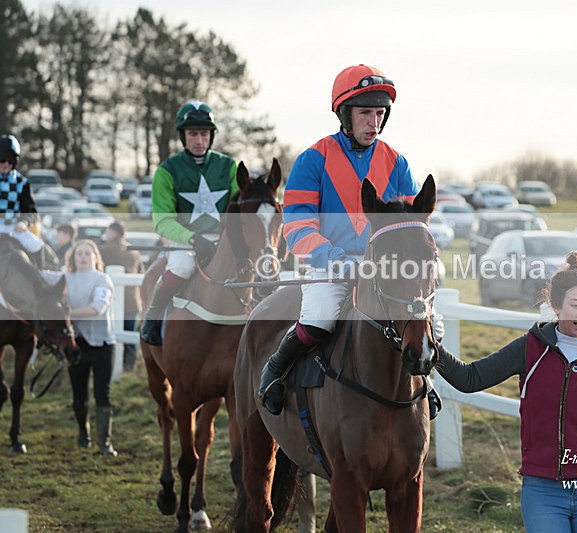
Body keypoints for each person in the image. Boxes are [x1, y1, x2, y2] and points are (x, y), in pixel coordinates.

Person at [257, 64, 442, 418]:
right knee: (320, 316)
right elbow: (296, 225)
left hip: (385, 271)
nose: (373, 122)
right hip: (330, 267)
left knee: (430, 321)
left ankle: (426, 385)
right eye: (365, 113)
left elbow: (411, 225)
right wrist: (335, 258)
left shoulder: (396, 162)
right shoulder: (313, 159)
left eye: (379, 114)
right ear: (345, 114)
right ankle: (274, 372)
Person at [433, 252, 577, 533]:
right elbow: (470, 378)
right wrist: (430, 347)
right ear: (556, 305)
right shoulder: (529, 349)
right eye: (575, 305)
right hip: (543, 491)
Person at [139, 100, 238, 345]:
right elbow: (162, 221)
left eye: (204, 134)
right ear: (183, 136)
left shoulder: (229, 166)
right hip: (185, 239)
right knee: (182, 266)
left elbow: (240, 210)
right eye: (193, 134)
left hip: (223, 238)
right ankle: (152, 318)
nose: (199, 140)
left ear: (211, 136)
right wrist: (192, 239)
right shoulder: (167, 170)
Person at [43, 240, 118, 456]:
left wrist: (66, 316)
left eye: (87, 253)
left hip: (103, 344)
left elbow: (98, 308)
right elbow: (42, 275)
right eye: (79, 254)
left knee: (103, 392)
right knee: (78, 393)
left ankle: (105, 442)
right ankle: (83, 433)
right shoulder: (66, 278)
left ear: (95, 257)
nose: (83, 257)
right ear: (73, 259)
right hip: (76, 345)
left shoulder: (103, 280)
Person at [99, 220, 144, 370]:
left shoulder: (105, 249)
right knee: (130, 336)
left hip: (113, 300)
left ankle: (113, 365)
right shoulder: (134, 250)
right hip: (133, 299)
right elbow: (141, 272)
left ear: (113, 232)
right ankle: (130, 367)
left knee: (111, 334)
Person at [0, 134, 46, 265]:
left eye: (10, 161)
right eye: (2, 160)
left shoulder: (23, 183)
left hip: (13, 228)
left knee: (38, 246)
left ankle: (40, 277)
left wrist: (24, 222)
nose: (6, 165)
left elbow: (30, 210)